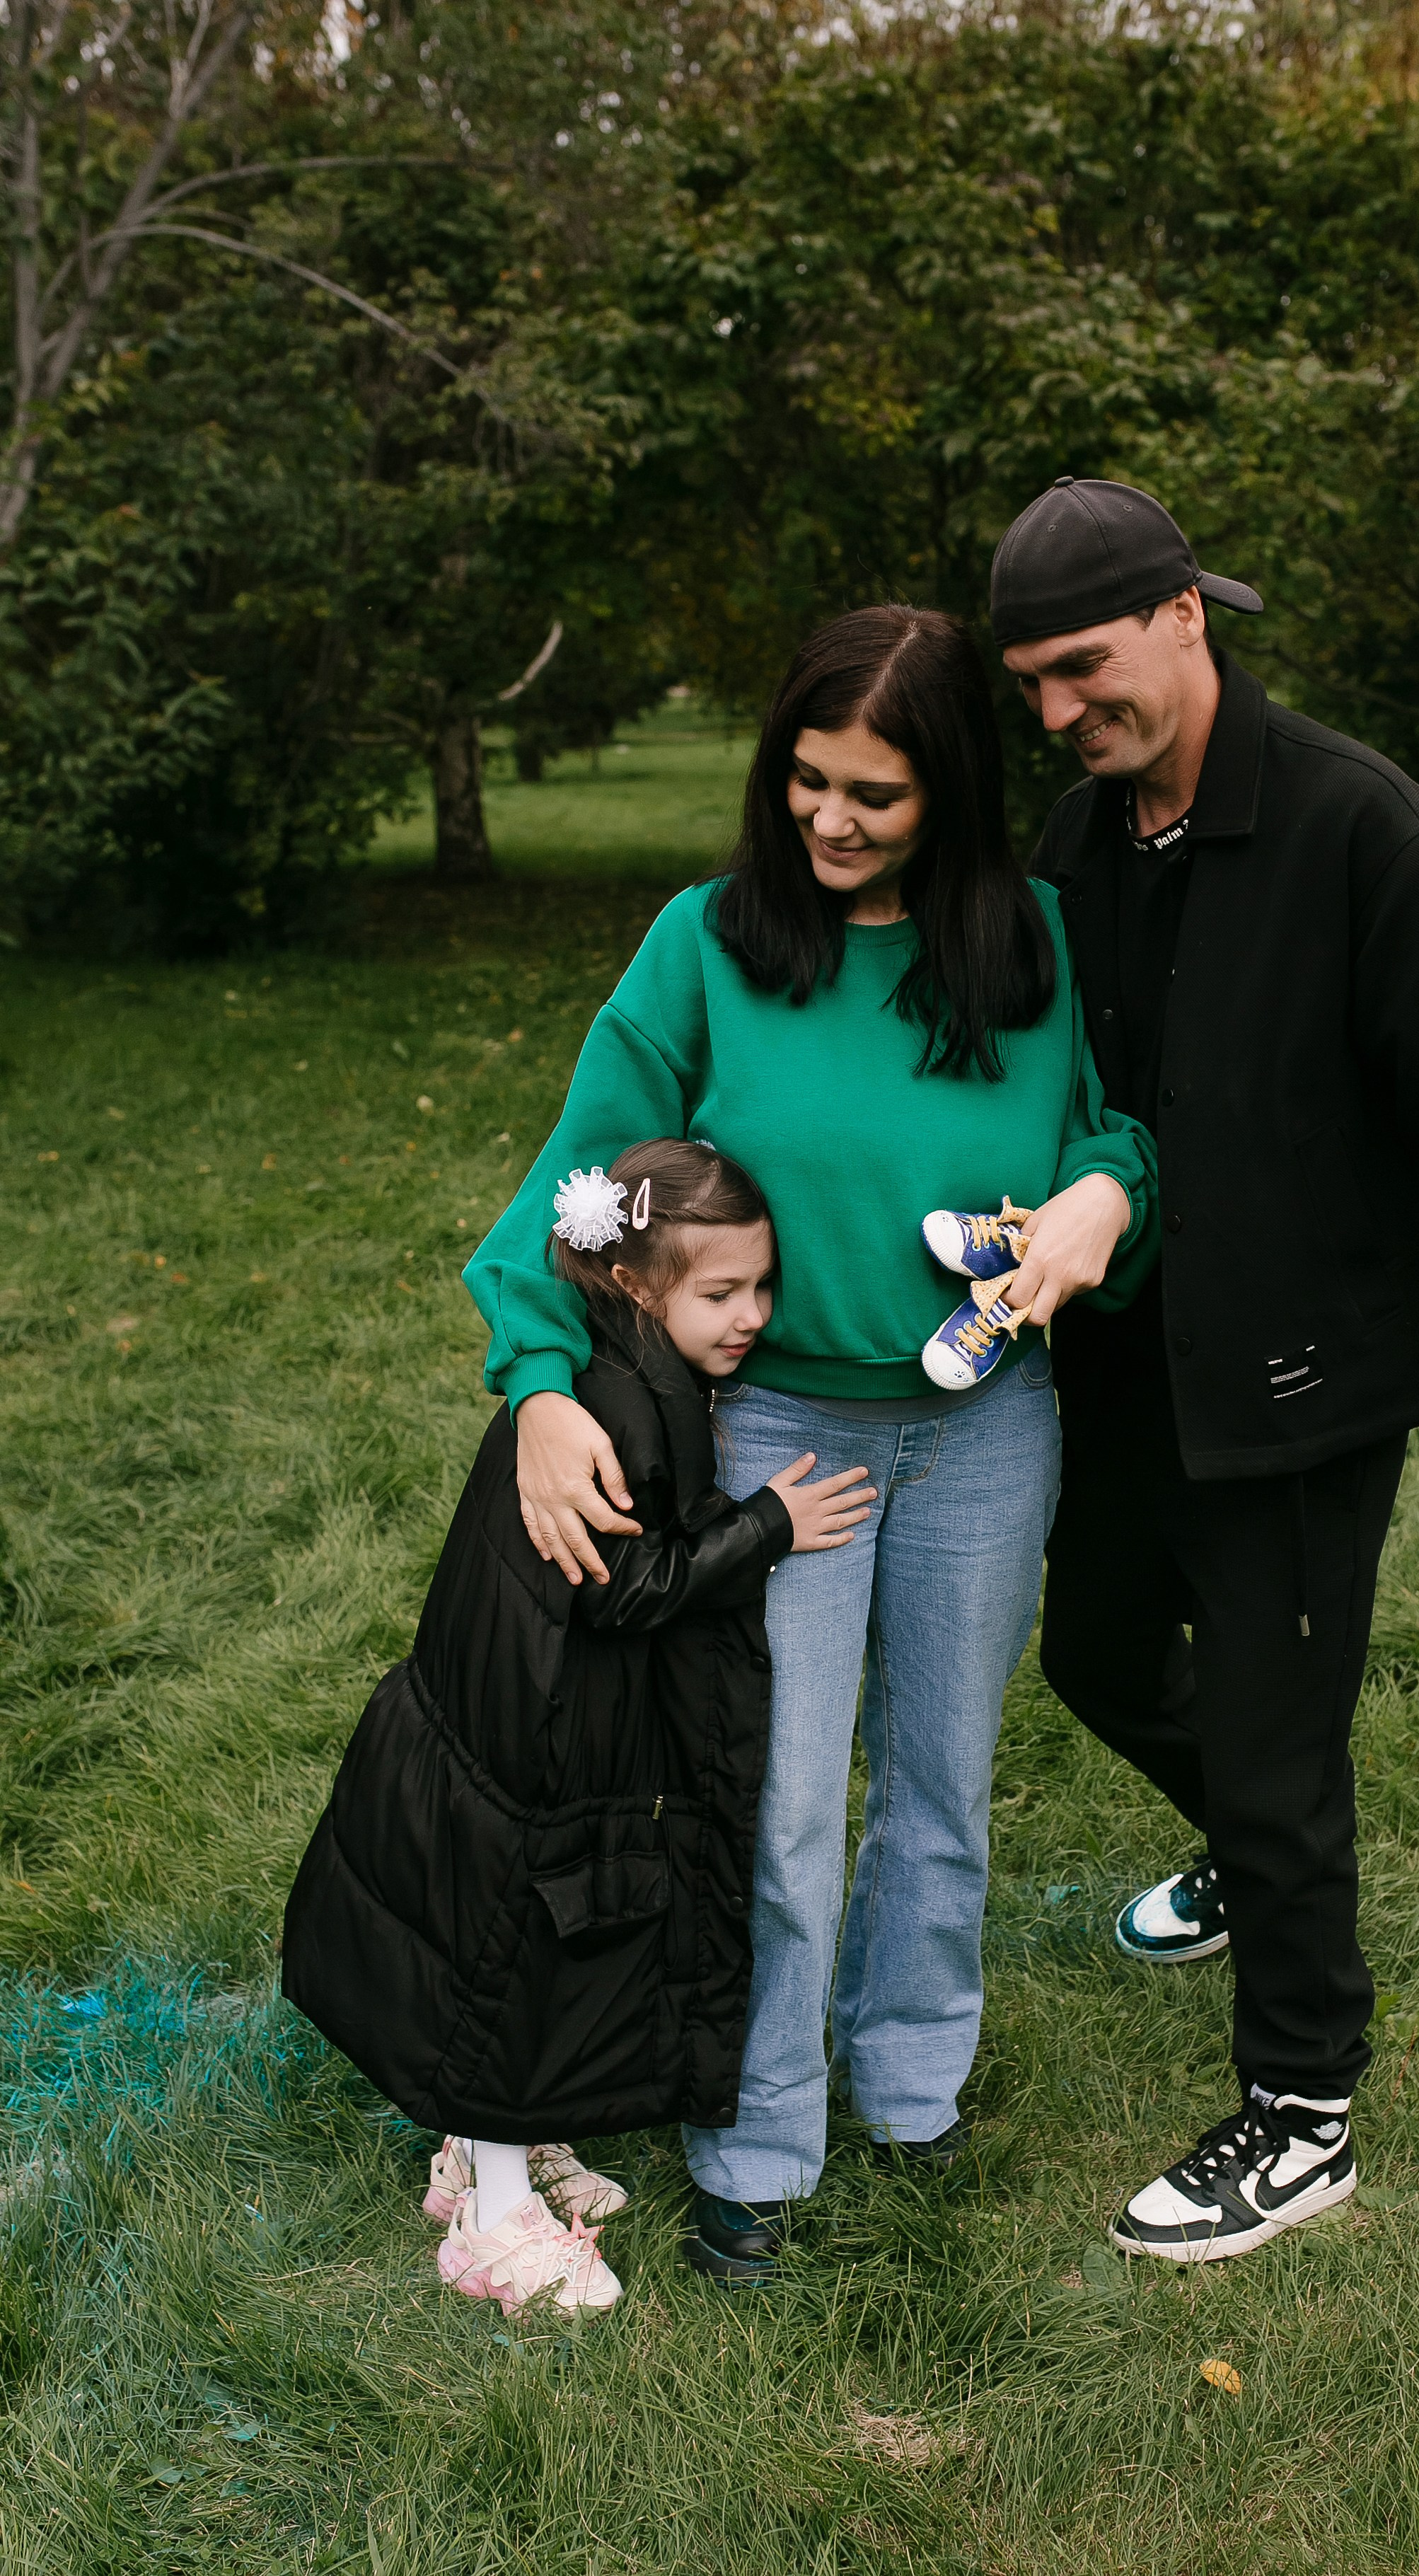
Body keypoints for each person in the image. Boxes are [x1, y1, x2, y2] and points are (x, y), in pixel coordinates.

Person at [989, 477, 1419, 2263]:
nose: (1058, 713)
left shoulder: (1368, 834)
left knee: (1283, 1750)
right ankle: (1251, 1855)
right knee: (1100, 1653)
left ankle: (1301, 2114)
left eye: (1084, 667)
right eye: (1030, 683)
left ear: (1187, 615)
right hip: (1134, 1368)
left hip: (1309, 1383)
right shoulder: (1078, 842)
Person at [461, 605, 1157, 2282]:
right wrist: (540, 1383)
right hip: (778, 1444)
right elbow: (576, 1193)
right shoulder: (706, 943)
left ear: (954, 802)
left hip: (985, 1430)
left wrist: (1100, 1189)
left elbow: (1107, 1134)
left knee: (942, 1787)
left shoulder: (1034, 944)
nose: (830, 821)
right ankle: (755, 2135)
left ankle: (910, 2087)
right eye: (806, 780)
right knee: (774, 1810)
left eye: (877, 796)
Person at [283, 1139, 874, 2315]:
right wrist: (765, 1525)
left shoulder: (622, 1363)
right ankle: (494, 2214)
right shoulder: (619, 1404)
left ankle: (499, 2143)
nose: (752, 1314)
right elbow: (619, 1583)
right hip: (538, 1733)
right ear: (641, 1286)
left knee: (516, 1932)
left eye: (763, 1286)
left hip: (512, 1700)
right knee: (517, 1944)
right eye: (722, 1293)